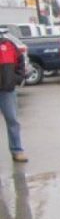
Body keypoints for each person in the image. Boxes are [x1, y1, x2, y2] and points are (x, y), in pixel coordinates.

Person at [0, 34, 28, 163]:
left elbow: (20, 61)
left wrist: (17, 78)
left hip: (7, 90)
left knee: (12, 121)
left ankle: (17, 150)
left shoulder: (8, 45)